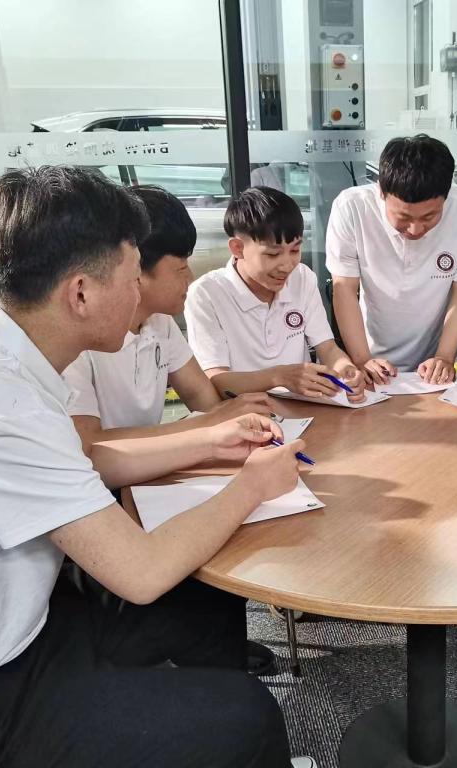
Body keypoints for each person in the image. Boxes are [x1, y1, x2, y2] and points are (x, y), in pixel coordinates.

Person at [0, 166, 316, 768]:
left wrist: (212, 442)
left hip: (23, 625)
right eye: (131, 276)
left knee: (205, 603)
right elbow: (141, 572)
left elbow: (91, 461)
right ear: (81, 293)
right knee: (248, 715)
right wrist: (252, 485)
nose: (139, 295)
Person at [62, 184, 279, 675]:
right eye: (180, 268)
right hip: (102, 505)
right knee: (210, 548)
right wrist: (210, 430)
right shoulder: (80, 345)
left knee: (231, 526)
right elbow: (91, 450)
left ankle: (220, 650)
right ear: (133, 271)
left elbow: (205, 400)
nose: (190, 278)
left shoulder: (158, 325)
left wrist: (224, 420)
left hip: (148, 479)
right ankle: (210, 665)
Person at [326, 134, 457, 386]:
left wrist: (444, 357)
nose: (415, 229)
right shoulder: (352, 208)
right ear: (381, 191)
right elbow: (344, 289)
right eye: (403, 217)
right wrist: (362, 360)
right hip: (368, 353)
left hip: (432, 361)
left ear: (446, 196)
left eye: (429, 217)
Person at [186, 186, 365, 402]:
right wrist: (279, 377)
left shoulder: (302, 278)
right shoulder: (206, 294)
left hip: (304, 409)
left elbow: (327, 347)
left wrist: (345, 368)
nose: (287, 265)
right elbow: (216, 380)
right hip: (244, 415)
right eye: (273, 254)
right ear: (237, 248)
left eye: (295, 250)